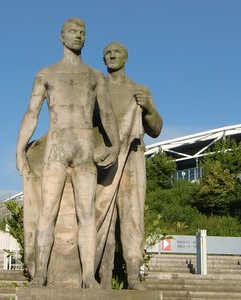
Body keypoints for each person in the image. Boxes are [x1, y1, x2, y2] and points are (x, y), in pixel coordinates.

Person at [16, 17, 119, 287]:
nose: (78, 36)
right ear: (61, 37)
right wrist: (19, 149)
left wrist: (116, 144)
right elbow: (31, 113)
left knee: (87, 215)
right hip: (56, 146)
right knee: (46, 213)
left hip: (84, 144)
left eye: (82, 33)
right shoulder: (46, 73)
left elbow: (107, 114)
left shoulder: (95, 75)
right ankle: (41, 273)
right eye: (73, 32)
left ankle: (88, 275)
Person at [95, 41, 162, 290]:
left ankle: (133, 275)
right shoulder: (96, 87)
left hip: (133, 158)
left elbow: (155, 130)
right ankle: (103, 276)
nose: (112, 56)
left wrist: (149, 109)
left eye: (117, 53)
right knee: (103, 216)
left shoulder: (139, 90)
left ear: (126, 57)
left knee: (132, 216)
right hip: (105, 159)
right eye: (108, 53)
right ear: (103, 59)